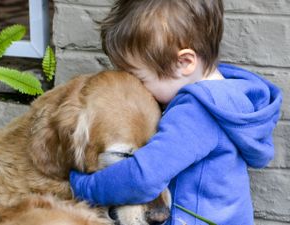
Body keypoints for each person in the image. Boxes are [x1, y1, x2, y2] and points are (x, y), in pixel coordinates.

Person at [69, 0, 283, 224]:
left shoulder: (196, 114)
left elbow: (143, 177)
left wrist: (82, 186)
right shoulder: (226, 97)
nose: (138, 89)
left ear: (184, 62)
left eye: (140, 79)